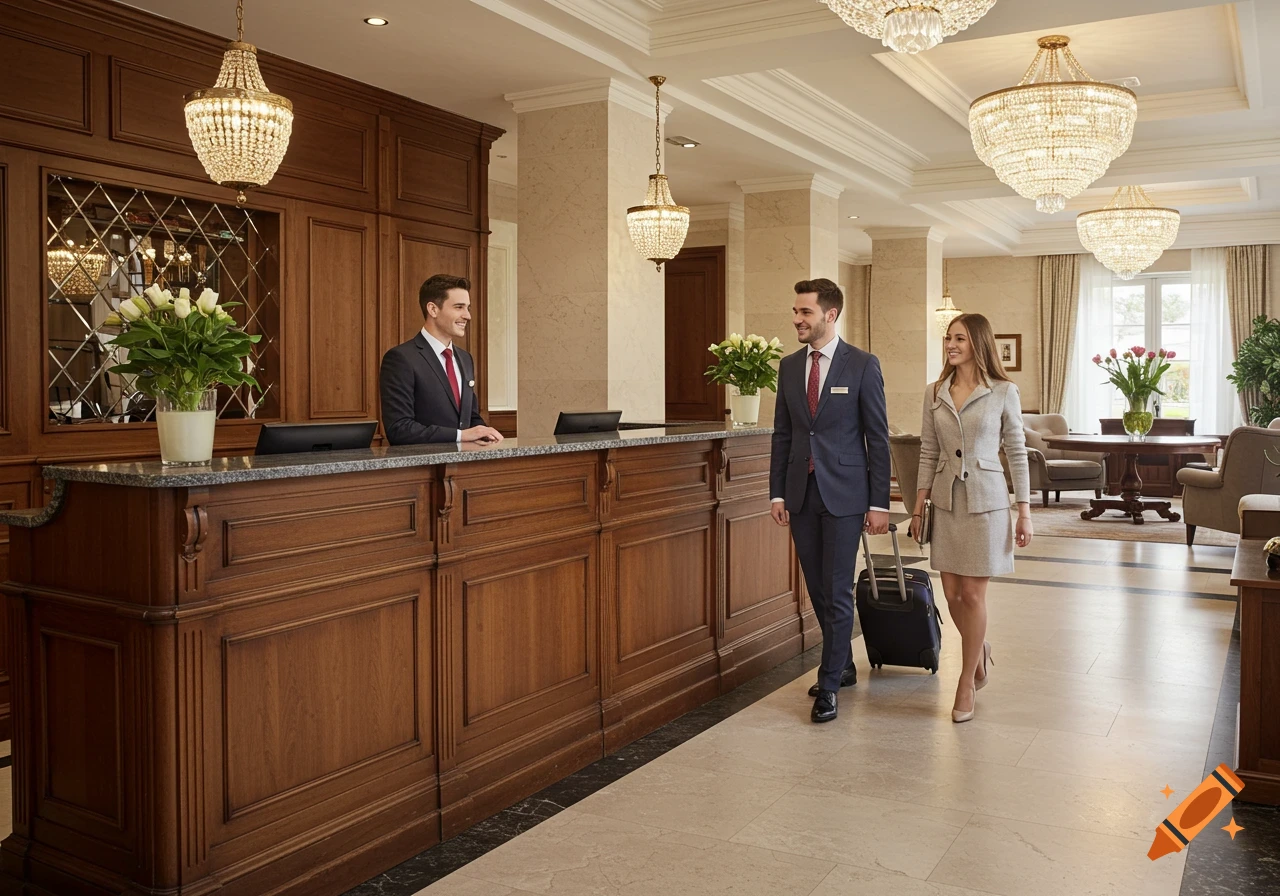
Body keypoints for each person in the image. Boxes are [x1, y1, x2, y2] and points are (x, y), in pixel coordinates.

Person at [769, 278, 891, 723]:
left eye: (805, 312)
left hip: (846, 495)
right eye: (796, 311)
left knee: (838, 588)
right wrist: (777, 492)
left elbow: (877, 438)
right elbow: (783, 434)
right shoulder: (789, 367)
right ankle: (843, 663)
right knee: (818, 588)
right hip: (801, 496)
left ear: (830, 314)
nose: (797, 319)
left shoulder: (862, 364)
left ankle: (829, 684)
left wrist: (879, 502)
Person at [908, 313, 1031, 723]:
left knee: (974, 595)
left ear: (978, 343)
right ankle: (981, 648)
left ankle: (965, 681)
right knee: (952, 595)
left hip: (987, 502)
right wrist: (918, 506)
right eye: (948, 338)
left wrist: (1024, 511)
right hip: (946, 502)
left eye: (959, 338)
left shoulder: (1003, 391)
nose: (951, 344)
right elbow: (928, 451)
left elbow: (1017, 453)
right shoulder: (934, 392)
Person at [380, 274, 504, 446]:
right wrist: (460, 435)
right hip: (424, 463)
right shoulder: (401, 359)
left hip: (466, 461)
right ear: (433, 309)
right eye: (459, 307)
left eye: (468, 308)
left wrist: (487, 434)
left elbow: (470, 417)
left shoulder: (465, 358)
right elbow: (399, 429)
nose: (467, 315)